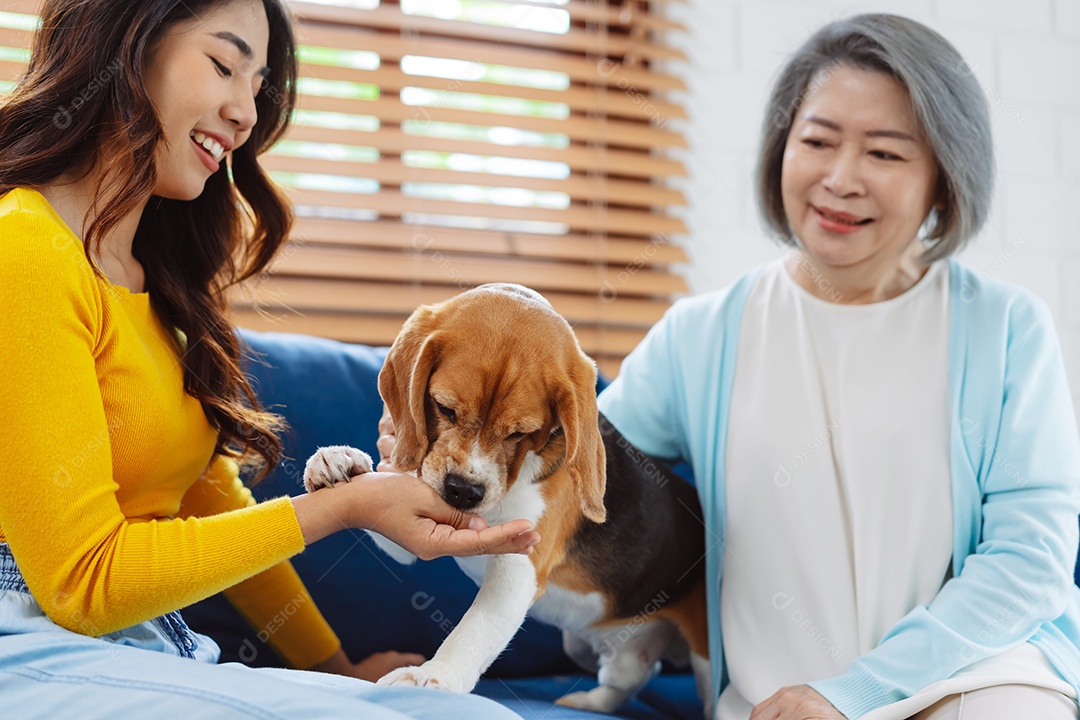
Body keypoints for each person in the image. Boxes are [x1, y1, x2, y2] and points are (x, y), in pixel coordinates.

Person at [0, 1, 537, 717]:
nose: (248, 112)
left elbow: (203, 493)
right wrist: (346, 507)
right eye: (224, 65)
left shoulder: (152, 282)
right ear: (123, 45)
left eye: (258, 85)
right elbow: (81, 583)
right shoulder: (24, 252)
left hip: (134, 646)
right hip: (30, 645)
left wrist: (338, 667)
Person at [596, 13, 1080, 720]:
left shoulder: (1006, 327)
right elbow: (570, 478)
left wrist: (856, 691)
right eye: (817, 141)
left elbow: (1031, 559)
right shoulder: (703, 335)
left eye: (885, 154)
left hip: (977, 676)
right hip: (780, 698)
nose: (840, 178)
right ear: (780, 150)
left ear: (944, 180)